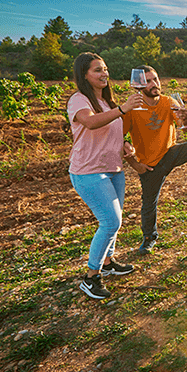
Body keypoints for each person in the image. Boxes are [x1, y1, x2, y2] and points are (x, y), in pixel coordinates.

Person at [67, 52, 142, 300]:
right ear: (84, 75)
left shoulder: (108, 103)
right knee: (111, 221)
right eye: (97, 70)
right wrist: (123, 109)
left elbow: (109, 132)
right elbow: (90, 123)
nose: (104, 74)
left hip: (113, 169)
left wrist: (123, 145)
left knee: (114, 221)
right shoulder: (79, 101)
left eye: (105, 69)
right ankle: (90, 276)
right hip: (88, 172)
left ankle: (108, 262)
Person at [122, 65, 187, 255]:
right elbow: (119, 137)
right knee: (149, 203)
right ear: (139, 85)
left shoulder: (168, 102)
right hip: (149, 164)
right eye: (148, 81)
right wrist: (135, 164)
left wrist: (184, 119)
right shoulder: (132, 109)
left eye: (156, 79)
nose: (154, 84)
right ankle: (149, 237)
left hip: (169, 152)